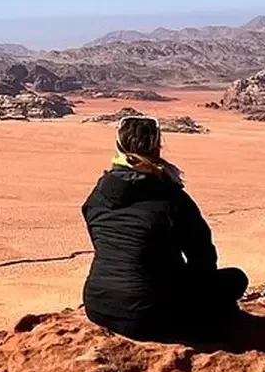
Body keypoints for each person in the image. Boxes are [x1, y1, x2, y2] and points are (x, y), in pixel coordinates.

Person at [80, 115, 248, 342]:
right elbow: (203, 257)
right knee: (235, 280)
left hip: (97, 305)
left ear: (118, 147)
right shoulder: (171, 197)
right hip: (148, 316)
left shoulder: (97, 195)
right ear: (158, 147)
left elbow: (104, 244)